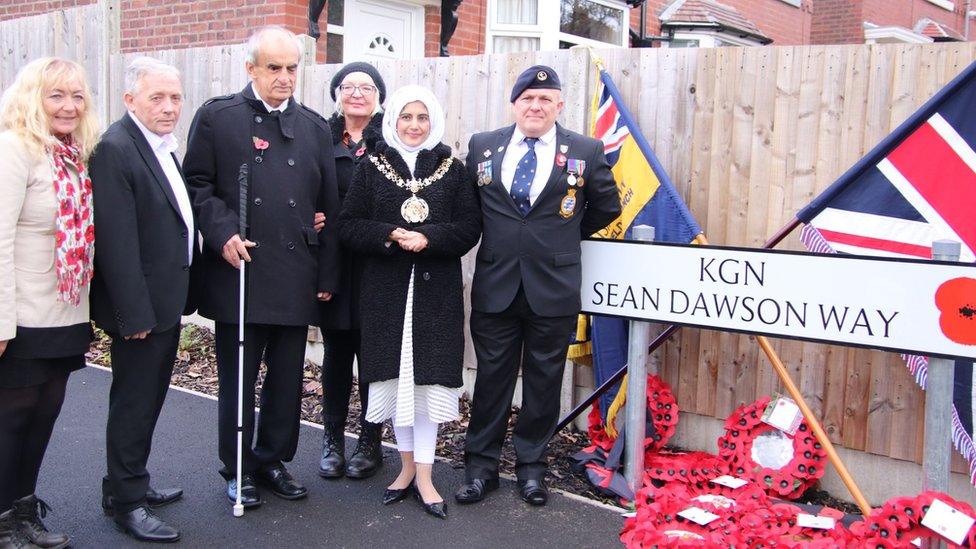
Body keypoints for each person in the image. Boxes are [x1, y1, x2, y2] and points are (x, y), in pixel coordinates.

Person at [183, 25, 341, 508]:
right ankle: (238, 466)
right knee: (239, 376)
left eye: (292, 68)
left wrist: (327, 275)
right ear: (250, 68)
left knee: (288, 377)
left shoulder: (315, 127)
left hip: (296, 272)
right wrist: (222, 230)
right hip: (242, 270)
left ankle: (273, 459)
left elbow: (328, 208)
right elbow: (196, 185)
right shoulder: (218, 118)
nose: (285, 77)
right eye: (274, 67)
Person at [457, 65, 621, 507]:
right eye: (528, 98)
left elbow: (605, 208)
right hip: (496, 283)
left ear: (559, 105)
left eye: (545, 99)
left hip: (554, 285)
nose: (536, 105)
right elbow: (472, 207)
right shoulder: (483, 146)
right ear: (514, 104)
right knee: (491, 380)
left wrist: (559, 237)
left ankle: (531, 469)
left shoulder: (586, 149)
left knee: (545, 382)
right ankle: (480, 468)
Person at [338, 85, 480, 519]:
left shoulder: (454, 171)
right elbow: (348, 226)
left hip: (435, 298)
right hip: (386, 296)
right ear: (393, 121)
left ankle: (425, 474)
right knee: (394, 381)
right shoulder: (372, 168)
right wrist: (389, 234)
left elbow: (469, 228)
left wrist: (429, 236)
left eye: (421, 117)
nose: (414, 125)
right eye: (406, 117)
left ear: (433, 120)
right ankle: (402, 469)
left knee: (427, 385)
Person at [88, 57, 200, 543]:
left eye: (175, 97)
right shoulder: (116, 149)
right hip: (141, 310)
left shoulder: (159, 147)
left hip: (165, 302)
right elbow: (117, 242)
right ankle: (126, 503)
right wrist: (132, 313)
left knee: (149, 397)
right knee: (134, 402)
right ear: (129, 100)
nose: (169, 106)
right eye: (157, 97)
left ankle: (129, 482)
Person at [0, 57, 100, 549]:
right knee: (11, 416)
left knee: (45, 411)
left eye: (77, 96)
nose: (68, 105)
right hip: (21, 314)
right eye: (56, 95)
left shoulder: (71, 154)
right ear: (32, 99)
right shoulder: (13, 149)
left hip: (65, 310)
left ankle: (22, 509)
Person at [317, 61, 388, 480]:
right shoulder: (318, 140)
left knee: (373, 356)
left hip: (377, 263)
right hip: (333, 265)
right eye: (349, 86)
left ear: (379, 96)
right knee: (336, 354)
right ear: (337, 94)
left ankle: (369, 440)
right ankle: (331, 438)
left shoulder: (390, 143)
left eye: (367, 87)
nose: (357, 93)